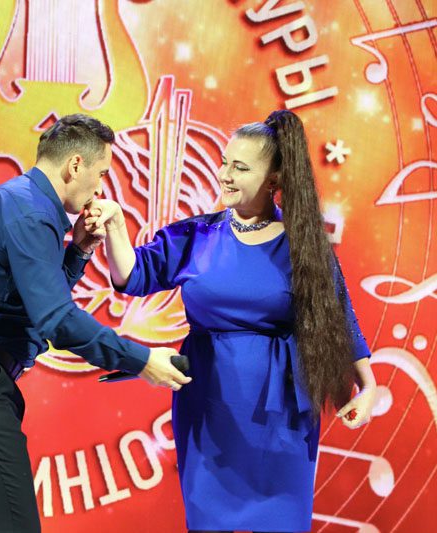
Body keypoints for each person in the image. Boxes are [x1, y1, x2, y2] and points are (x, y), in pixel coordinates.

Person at [85, 110, 377, 533]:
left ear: (274, 180)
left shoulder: (305, 247)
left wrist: (368, 386)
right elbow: (132, 275)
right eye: (224, 163)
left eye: (240, 167)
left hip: (282, 415)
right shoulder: (196, 236)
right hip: (209, 408)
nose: (224, 174)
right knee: (209, 521)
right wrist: (114, 225)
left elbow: (339, 318)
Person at [0, 114, 191, 533]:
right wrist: (142, 360)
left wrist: (79, 250)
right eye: (102, 173)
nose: (101, 188)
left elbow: (31, 305)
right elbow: (56, 319)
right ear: (75, 165)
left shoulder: (25, 203)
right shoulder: (30, 212)